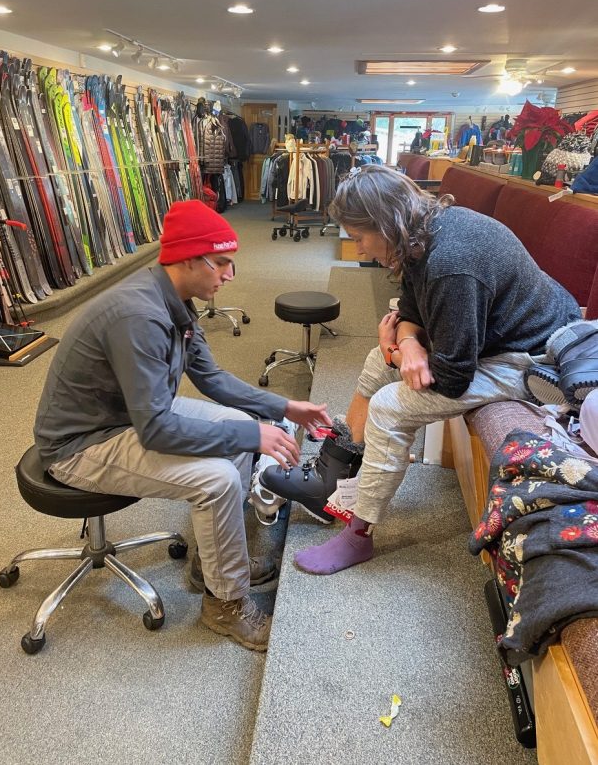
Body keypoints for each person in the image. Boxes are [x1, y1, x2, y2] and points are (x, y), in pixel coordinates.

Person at [34, 200, 331, 650]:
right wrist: (254, 434)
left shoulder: (175, 302)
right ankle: (225, 603)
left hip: (131, 416)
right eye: (221, 263)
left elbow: (211, 378)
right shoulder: (140, 317)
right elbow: (156, 430)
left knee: (238, 425)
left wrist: (284, 407)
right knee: (217, 478)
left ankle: (214, 567)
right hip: (82, 443)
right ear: (189, 259)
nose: (230, 275)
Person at [260, 164, 581, 575]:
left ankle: (358, 535)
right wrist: (407, 344)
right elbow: (409, 310)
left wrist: (396, 352)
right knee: (376, 361)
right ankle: (332, 476)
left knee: (389, 407)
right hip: (495, 337)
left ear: (385, 223)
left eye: (359, 238)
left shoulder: (451, 261)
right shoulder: (421, 233)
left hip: (535, 359)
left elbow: (452, 377)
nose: (360, 250)